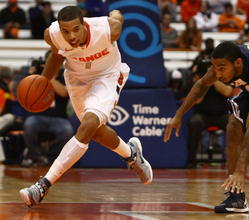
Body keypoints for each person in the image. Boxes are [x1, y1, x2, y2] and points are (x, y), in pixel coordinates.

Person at [19, 6, 153, 208]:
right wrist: (43, 82)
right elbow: (57, 56)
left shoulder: (107, 29)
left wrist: (115, 13)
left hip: (106, 76)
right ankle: (131, 154)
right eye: (66, 31)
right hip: (76, 79)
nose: (70, 36)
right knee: (96, 133)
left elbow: (116, 18)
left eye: (75, 29)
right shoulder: (52, 35)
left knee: (89, 124)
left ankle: (43, 185)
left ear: (84, 24)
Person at [164, 41, 249, 213]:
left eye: (221, 68)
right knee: (233, 127)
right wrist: (178, 115)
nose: (217, 73)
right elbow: (202, 84)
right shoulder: (225, 61)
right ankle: (236, 197)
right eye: (215, 68)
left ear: (238, 63)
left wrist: (240, 171)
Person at [21, 51, 74, 168]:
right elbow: (26, 93)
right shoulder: (36, 77)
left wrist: (47, 76)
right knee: (29, 125)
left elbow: (64, 92)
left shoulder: (65, 76)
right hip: (37, 116)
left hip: (59, 118)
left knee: (67, 131)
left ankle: (49, 157)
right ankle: (31, 156)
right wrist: (31, 76)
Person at [186, 60, 233, 168]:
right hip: (203, 115)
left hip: (221, 115)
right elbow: (198, 101)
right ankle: (191, 160)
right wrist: (204, 82)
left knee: (235, 124)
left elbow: (227, 92)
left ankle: (234, 161)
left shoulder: (223, 77)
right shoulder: (198, 82)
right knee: (194, 122)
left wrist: (214, 79)